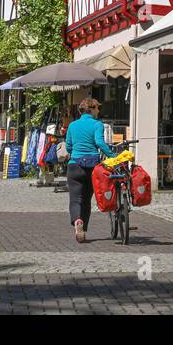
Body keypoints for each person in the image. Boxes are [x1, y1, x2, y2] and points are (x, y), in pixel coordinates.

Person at [65, 97, 113, 243]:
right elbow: (99, 142)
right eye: (97, 108)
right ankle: (84, 228)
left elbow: (68, 146)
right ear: (91, 109)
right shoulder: (97, 124)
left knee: (75, 199)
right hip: (92, 167)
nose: (99, 111)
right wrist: (112, 155)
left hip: (74, 165)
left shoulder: (72, 125)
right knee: (86, 200)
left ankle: (77, 221)